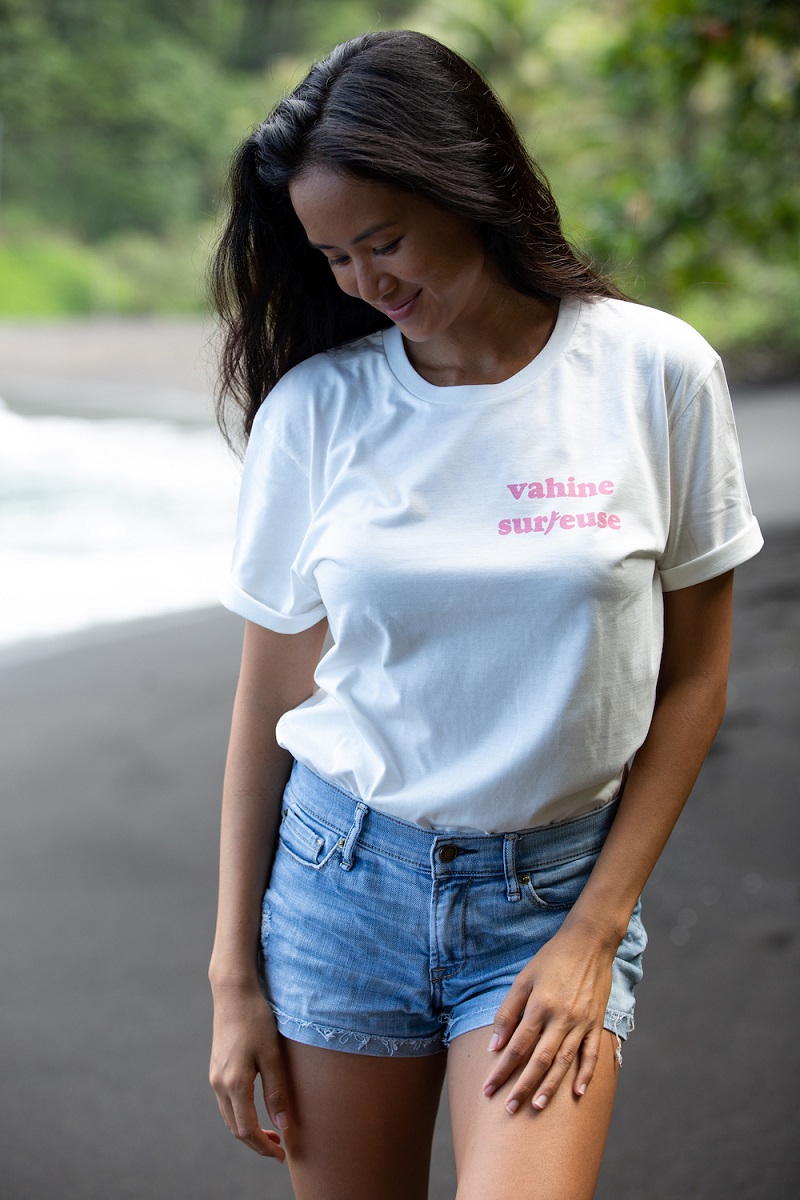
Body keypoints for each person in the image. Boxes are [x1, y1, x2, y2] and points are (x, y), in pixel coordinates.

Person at [207, 29, 763, 1200]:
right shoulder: (315, 412)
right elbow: (269, 702)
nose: (363, 282)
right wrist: (232, 982)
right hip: (341, 884)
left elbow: (693, 679)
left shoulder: (653, 373)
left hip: (549, 895)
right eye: (333, 256)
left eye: (385, 241)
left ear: (469, 186)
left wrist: (592, 932)